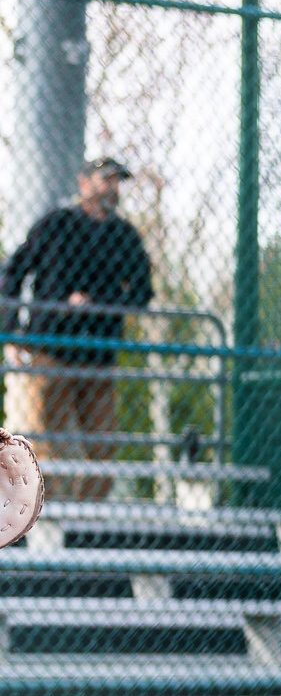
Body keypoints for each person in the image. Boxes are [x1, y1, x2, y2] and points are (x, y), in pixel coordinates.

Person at [1, 156, 153, 500]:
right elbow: (12, 273)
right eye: (106, 179)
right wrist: (12, 330)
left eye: (117, 181)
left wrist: (98, 300)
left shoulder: (124, 235)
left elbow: (142, 293)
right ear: (84, 183)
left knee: (102, 442)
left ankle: (85, 519)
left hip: (98, 352)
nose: (112, 187)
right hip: (51, 347)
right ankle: (44, 514)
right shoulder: (56, 224)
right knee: (43, 439)